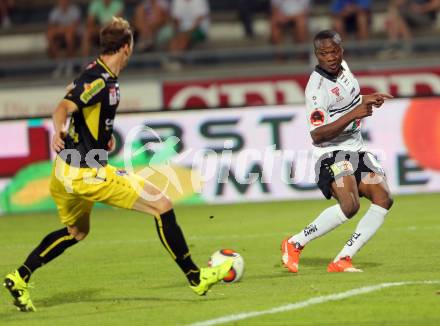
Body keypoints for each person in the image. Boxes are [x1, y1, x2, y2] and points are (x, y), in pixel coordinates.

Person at [3, 16, 232, 312]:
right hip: (86, 172)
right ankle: (196, 277)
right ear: (127, 46)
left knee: (76, 232)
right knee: (161, 204)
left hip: (66, 170)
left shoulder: (100, 75)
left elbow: (81, 110)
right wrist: (58, 130)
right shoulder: (97, 80)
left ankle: (19, 277)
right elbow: (63, 107)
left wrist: (101, 140)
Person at [281, 30, 394, 273]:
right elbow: (317, 134)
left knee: (384, 198)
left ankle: (343, 259)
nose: (330, 57)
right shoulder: (316, 89)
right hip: (332, 153)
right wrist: (355, 114)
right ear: (316, 55)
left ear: (341, 51)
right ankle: (294, 243)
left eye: (333, 52)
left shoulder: (344, 67)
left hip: (357, 150)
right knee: (350, 205)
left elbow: (348, 101)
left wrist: (366, 99)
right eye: (323, 54)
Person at [47, 0, 82, 78]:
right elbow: (51, 28)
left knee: (69, 36)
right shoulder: (55, 11)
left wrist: (61, 30)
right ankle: (59, 64)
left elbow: (74, 27)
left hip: (76, 38)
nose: (63, 2)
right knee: (50, 35)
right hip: (61, 37)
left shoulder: (74, 10)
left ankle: (70, 65)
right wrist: (63, 30)